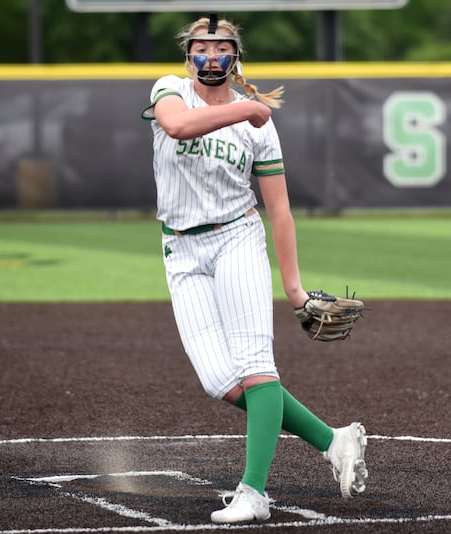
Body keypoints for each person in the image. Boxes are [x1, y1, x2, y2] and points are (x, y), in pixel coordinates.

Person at [140, 14, 368, 524]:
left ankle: (254, 492)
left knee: (254, 365)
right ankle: (334, 442)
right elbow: (175, 125)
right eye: (202, 46)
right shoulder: (171, 90)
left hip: (236, 239)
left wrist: (294, 289)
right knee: (221, 380)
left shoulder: (260, 125)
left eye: (222, 47)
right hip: (180, 251)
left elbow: (280, 210)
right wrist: (246, 109)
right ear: (188, 54)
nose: (212, 56)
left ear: (235, 56)